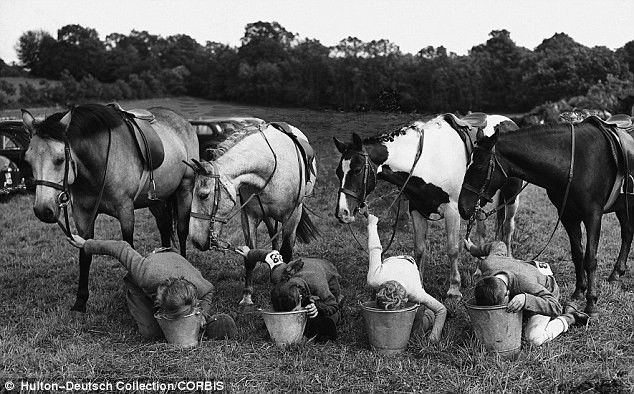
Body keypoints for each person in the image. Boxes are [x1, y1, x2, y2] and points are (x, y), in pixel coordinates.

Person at [66, 234, 237, 343]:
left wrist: (203, 315)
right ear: (160, 305)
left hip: (175, 259)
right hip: (148, 274)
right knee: (150, 333)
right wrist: (86, 244)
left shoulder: (199, 286)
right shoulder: (146, 274)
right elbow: (121, 247)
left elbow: (210, 291)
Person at [464, 239, 590, 346]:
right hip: (526, 272)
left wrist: (527, 300)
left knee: (533, 338)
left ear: (508, 293)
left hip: (545, 291)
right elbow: (499, 245)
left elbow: (555, 306)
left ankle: (570, 317)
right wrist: (474, 249)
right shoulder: (488, 264)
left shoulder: (527, 284)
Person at [365, 214, 447, 343]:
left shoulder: (416, 292)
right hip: (390, 263)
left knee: (416, 331)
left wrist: (434, 336)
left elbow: (441, 310)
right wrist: (372, 224)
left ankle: (428, 317)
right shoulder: (375, 279)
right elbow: (375, 249)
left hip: (410, 264)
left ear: (406, 299)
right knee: (372, 321)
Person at [237, 246, 343, 342]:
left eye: (295, 310)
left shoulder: (317, 283)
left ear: (300, 298)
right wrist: (249, 253)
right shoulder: (278, 274)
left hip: (326, 274)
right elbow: (270, 254)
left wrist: (318, 307)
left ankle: (337, 301)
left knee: (328, 319)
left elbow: (333, 305)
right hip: (304, 273)